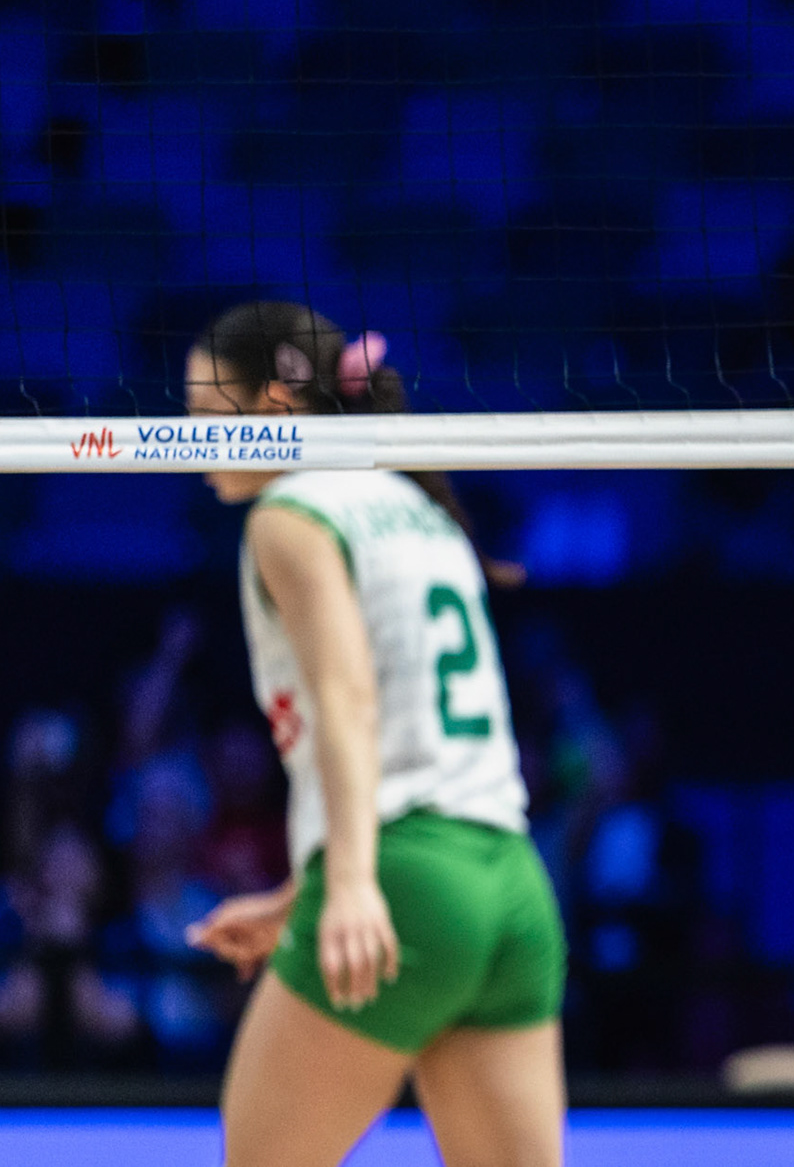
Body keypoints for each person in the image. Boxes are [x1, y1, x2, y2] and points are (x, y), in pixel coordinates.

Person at [181, 301, 565, 1167]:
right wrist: (303, 894)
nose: (186, 443)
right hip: (510, 889)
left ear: (275, 404)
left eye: (204, 414)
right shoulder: (415, 504)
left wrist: (350, 881)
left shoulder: (291, 513)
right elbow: (420, 747)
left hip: (404, 880)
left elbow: (348, 696)